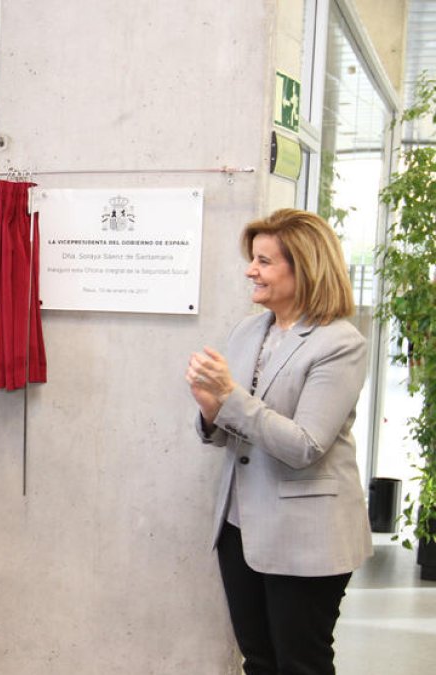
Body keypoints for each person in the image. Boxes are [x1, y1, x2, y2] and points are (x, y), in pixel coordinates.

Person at [186, 208, 372, 675]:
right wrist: (210, 411)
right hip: (239, 527)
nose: (251, 270)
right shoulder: (249, 330)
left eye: (264, 261)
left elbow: (305, 445)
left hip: (308, 534)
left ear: (303, 267)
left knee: (300, 663)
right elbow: (229, 424)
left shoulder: (339, 344)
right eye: (253, 259)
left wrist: (229, 398)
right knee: (259, 661)